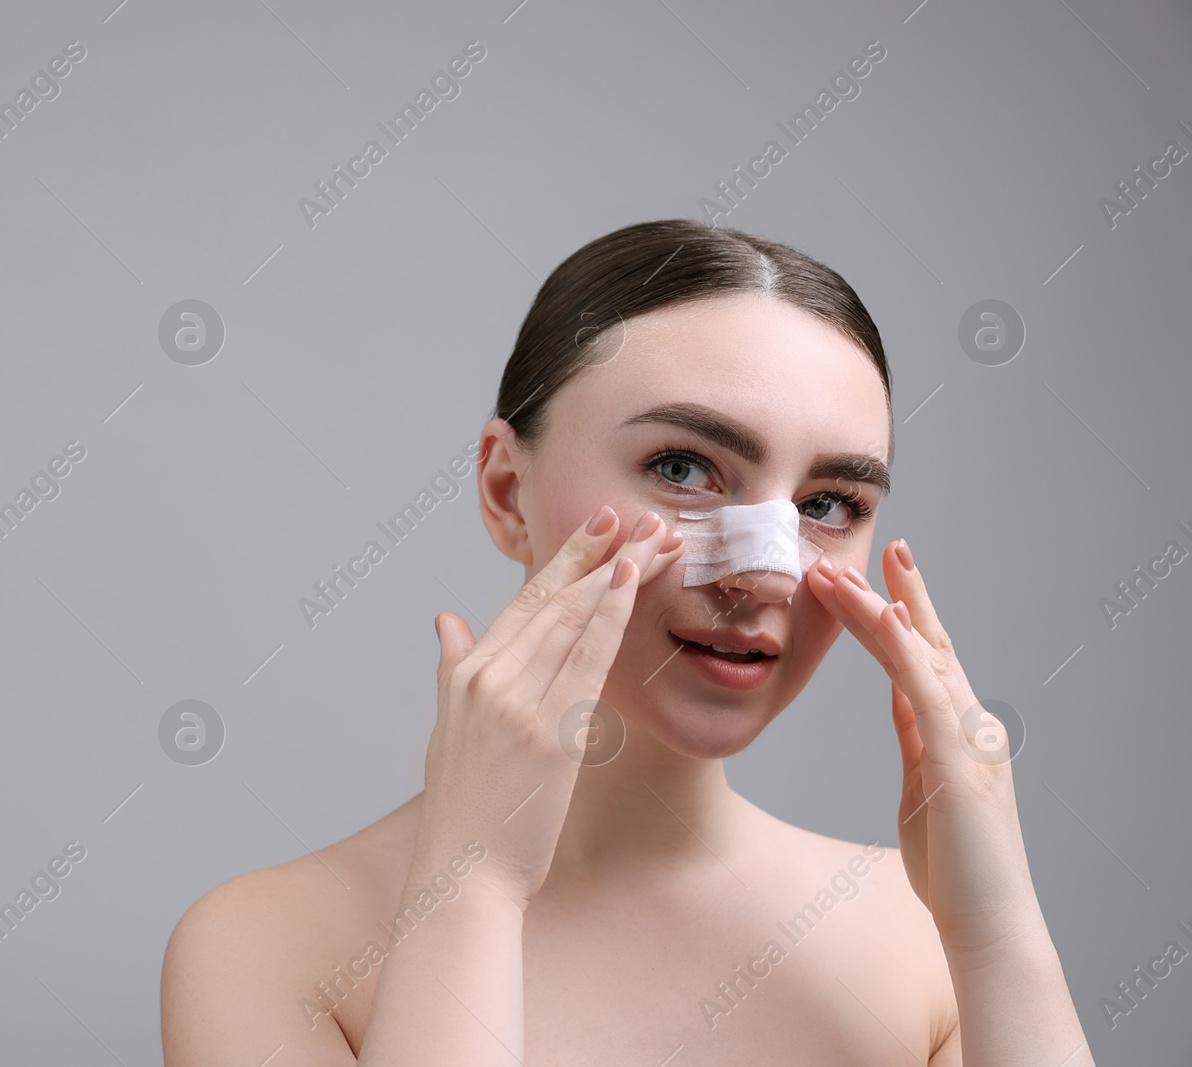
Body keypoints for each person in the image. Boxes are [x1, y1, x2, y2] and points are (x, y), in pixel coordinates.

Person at [161, 219, 1094, 1065]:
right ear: (504, 489)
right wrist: (472, 887)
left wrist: (999, 937)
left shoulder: (923, 938)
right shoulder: (267, 945)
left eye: (827, 505)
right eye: (681, 468)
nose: (763, 573)